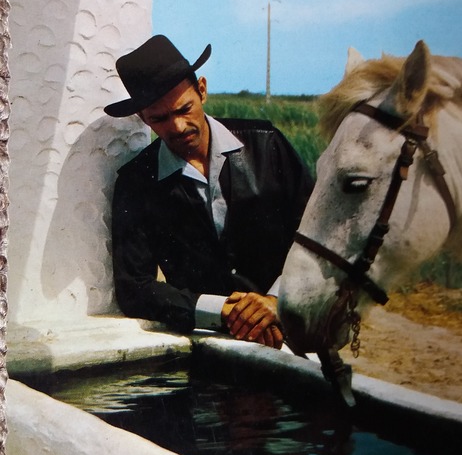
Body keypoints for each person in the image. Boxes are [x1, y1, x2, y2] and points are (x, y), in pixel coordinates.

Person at [105, 34, 313, 348]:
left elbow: (314, 235)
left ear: (202, 90)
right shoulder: (136, 183)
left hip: (293, 333)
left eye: (183, 109)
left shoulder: (268, 144)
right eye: (158, 119)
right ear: (141, 118)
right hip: (208, 346)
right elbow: (134, 287)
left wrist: (276, 300)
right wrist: (220, 310)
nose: (176, 127)